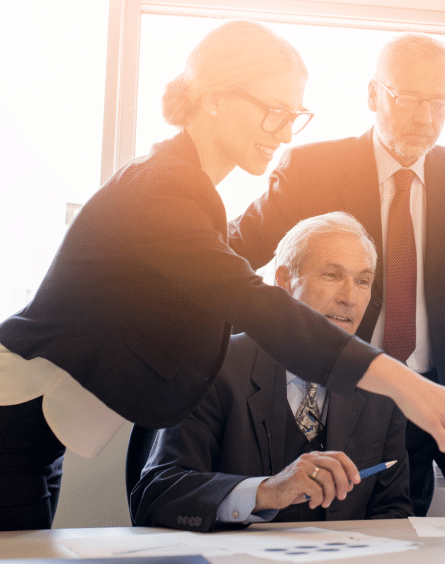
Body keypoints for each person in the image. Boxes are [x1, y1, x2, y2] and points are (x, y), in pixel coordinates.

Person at [0, 20, 445, 560]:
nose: (282, 131)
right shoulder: (161, 191)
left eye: (294, 115)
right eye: (273, 111)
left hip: (32, 437)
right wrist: (404, 383)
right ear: (216, 97)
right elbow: (254, 301)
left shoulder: (191, 189)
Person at [228, 33, 445, 516]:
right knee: (315, 526)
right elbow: (234, 255)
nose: (425, 118)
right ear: (373, 95)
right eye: (409, 99)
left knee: (400, 538)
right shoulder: (311, 167)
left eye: (438, 103)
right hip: (338, 394)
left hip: (427, 394)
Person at [131, 213, 412, 530]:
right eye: (332, 275)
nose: (350, 298)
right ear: (283, 280)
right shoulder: (214, 366)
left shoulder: (381, 384)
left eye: (363, 281)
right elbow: (154, 498)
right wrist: (265, 492)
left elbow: (393, 510)